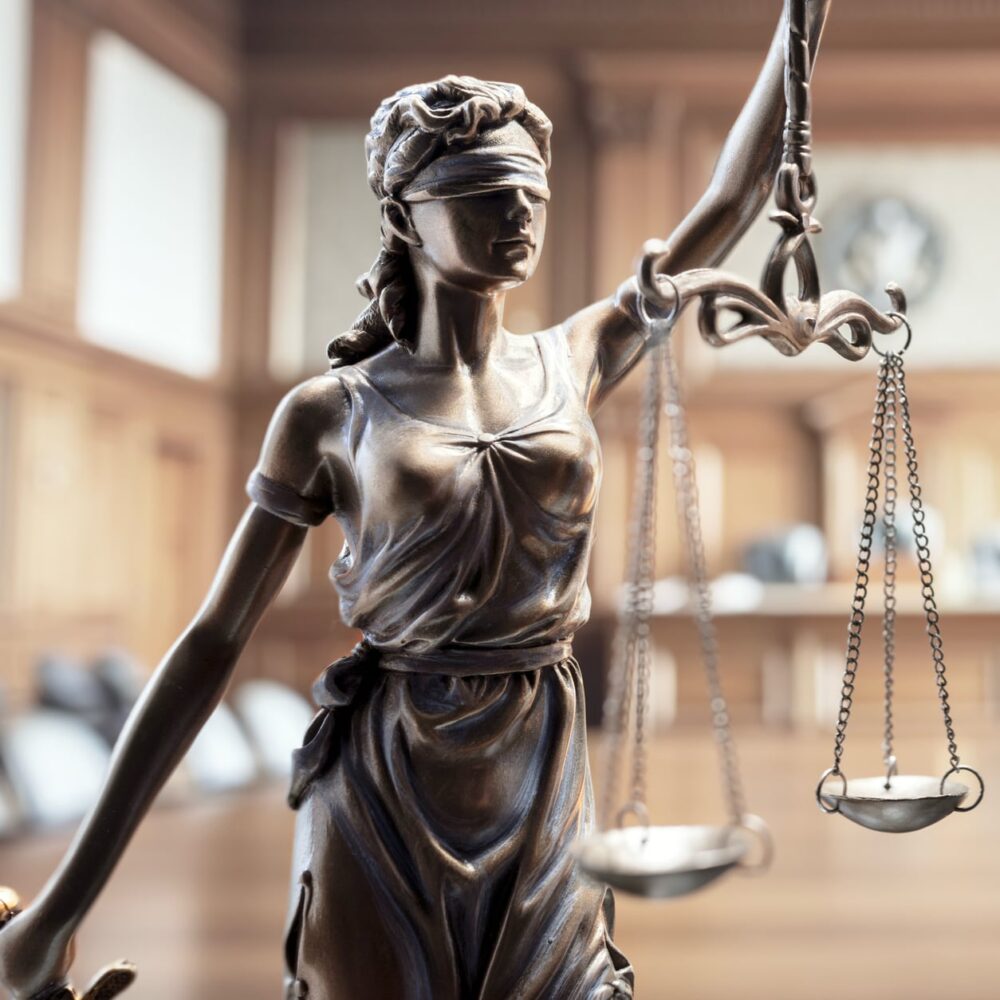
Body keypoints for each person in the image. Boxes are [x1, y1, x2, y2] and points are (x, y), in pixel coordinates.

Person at [0, 6, 829, 998]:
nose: (518, 212)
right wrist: (59, 908)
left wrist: (799, 23)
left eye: (532, 191)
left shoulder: (572, 358)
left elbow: (727, 200)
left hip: (542, 763)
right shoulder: (329, 413)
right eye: (483, 193)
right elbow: (213, 640)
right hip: (387, 779)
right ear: (403, 215)